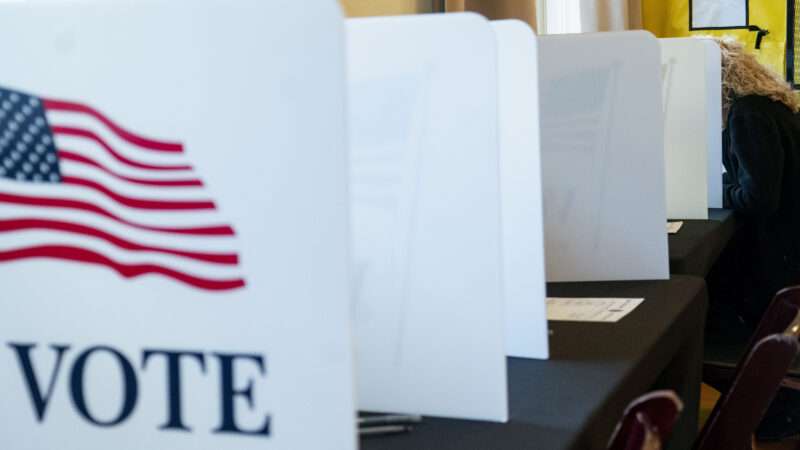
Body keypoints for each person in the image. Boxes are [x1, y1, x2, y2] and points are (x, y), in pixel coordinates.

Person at [711, 37, 800, 441]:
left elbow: (759, 197)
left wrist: (714, 192)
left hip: (779, 258)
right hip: (790, 249)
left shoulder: (747, 115)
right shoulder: (768, 106)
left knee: (705, 295)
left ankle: (770, 407)